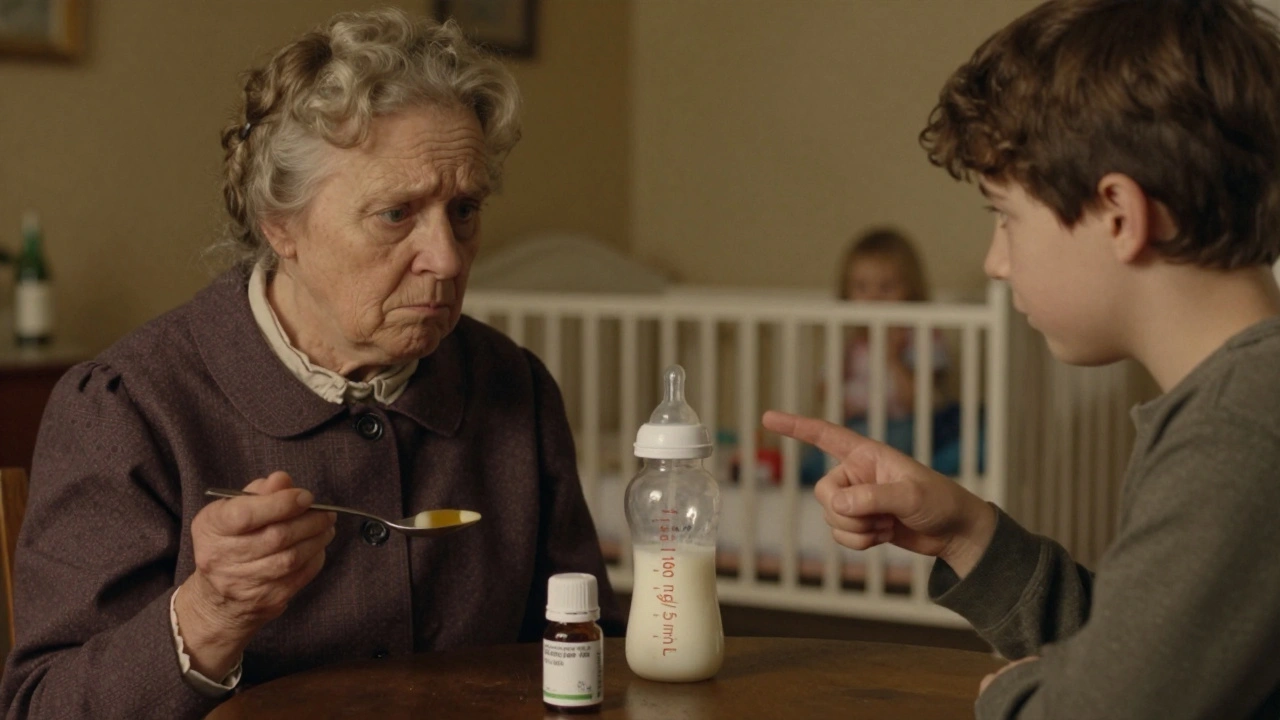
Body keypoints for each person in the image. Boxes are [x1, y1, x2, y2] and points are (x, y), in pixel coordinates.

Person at [0, 9, 621, 719]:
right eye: (396, 214)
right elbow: (42, 708)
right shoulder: (127, 407)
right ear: (280, 225)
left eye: (465, 209)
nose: (448, 258)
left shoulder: (515, 387)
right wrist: (208, 615)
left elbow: (589, 653)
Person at [767, 0, 1280, 717]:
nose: (995, 262)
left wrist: (1016, 697)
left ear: (1119, 216)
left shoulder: (1238, 430)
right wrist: (969, 532)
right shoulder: (1239, 403)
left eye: (1005, 216)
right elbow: (1154, 652)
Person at [801, 228, 959, 484]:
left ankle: (869, 472)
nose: (872, 298)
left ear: (910, 291)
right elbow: (825, 392)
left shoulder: (922, 335)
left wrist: (891, 357)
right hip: (856, 426)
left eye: (886, 288)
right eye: (862, 287)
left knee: (896, 443)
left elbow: (918, 402)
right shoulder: (850, 343)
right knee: (821, 449)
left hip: (902, 425)